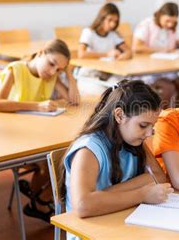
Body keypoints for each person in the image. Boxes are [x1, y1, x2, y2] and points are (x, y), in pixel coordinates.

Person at [63, 80, 172, 239]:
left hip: (124, 223)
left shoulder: (134, 140)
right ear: (119, 115)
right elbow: (83, 205)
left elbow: (159, 178)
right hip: (91, 232)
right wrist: (141, 194)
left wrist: (104, 195)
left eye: (152, 127)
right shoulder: (88, 149)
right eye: (143, 125)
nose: (149, 134)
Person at [0, 39, 80, 222]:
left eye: (58, 70)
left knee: (68, 159)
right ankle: (39, 198)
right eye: (51, 64)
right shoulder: (15, 69)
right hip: (14, 137)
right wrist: (37, 106)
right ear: (40, 53)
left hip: (39, 136)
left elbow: (73, 101)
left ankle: (39, 197)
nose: (52, 71)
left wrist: (69, 74)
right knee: (54, 163)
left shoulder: (51, 76)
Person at [133, 2, 179, 108]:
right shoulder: (146, 24)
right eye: (167, 21)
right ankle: (160, 119)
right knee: (168, 88)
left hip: (167, 70)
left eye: (173, 22)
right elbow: (136, 47)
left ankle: (178, 116)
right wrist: (160, 50)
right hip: (149, 71)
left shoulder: (172, 27)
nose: (170, 25)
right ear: (160, 15)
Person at [77, 3, 132, 95]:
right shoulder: (89, 32)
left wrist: (122, 57)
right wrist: (107, 54)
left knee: (124, 90)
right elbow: (81, 54)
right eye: (110, 20)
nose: (112, 24)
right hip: (90, 74)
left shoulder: (114, 34)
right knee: (105, 94)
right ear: (102, 18)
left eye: (115, 21)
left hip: (108, 73)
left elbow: (129, 52)